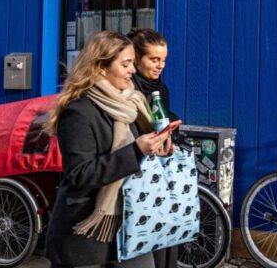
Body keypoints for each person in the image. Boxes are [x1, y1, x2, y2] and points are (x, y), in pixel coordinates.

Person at [44, 31, 171, 268]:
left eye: (133, 63)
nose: (133, 70)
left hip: (132, 223)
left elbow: (140, 156)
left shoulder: (131, 103)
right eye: (125, 64)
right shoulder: (78, 111)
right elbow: (80, 174)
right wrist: (136, 151)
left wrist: (157, 148)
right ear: (101, 67)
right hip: (87, 231)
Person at [127, 28, 179, 268]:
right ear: (136, 59)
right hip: (136, 171)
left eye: (164, 60)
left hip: (160, 169)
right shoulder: (128, 89)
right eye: (154, 59)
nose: (160, 66)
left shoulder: (161, 88)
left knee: (166, 232)